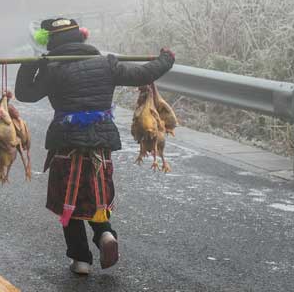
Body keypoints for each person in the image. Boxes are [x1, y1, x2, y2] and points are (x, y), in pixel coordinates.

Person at [14, 17, 175, 275]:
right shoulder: (107, 63)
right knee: (95, 191)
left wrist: (28, 64)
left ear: (52, 42)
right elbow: (143, 74)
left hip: (66, 140)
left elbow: (25, 94)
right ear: (82, 38)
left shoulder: (52, 68)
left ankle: (80, 260)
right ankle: (105, 235)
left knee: (70, 197)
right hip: (101, 140)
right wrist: (166, 58)